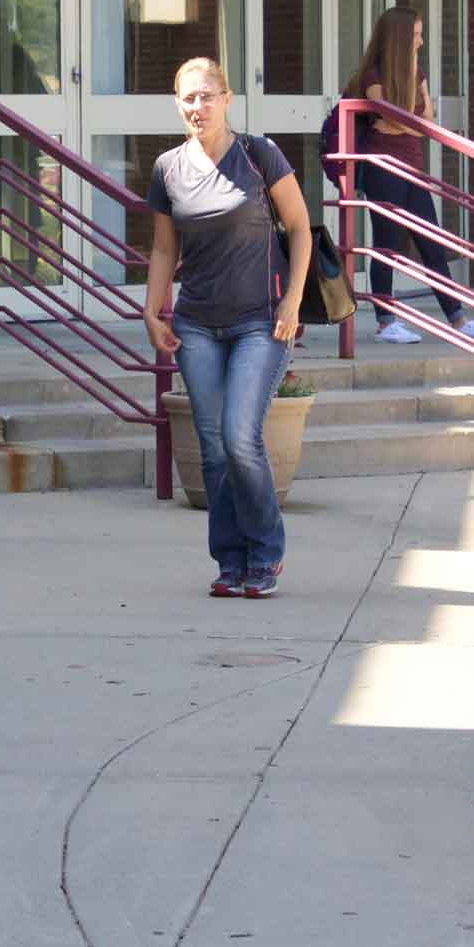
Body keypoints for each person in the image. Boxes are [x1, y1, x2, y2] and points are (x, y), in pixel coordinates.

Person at [143, 57, 312, 599]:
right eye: (188, 97)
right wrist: (152, 309)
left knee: (241, 438)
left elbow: (302, 228)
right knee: (214, 448)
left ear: (228, 98)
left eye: (207, 95)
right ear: (177, 103)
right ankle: (231, 560)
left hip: (261, 321)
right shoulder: (168, 167)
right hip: (196, 324)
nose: (198, 106)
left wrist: (292, 300)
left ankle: (266, 552)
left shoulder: (259, 155)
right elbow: (166, 246)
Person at [344, 7, 474, 346]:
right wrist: (406, 121)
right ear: (400, 38)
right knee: (387, 243)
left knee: (432, 242)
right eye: (415, 35)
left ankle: (458, 319)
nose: (420, 41)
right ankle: (387, 322)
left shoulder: (416, 73)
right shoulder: (372, 76)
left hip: (413, 167)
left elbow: (425, 120)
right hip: (382, 167)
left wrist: (406, 118)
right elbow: (398, 119)